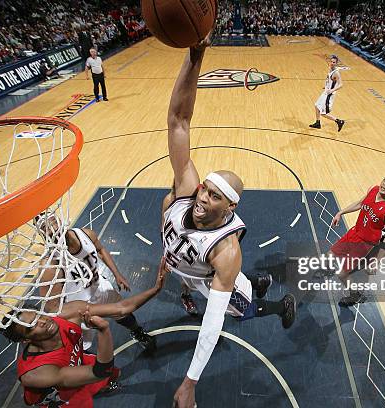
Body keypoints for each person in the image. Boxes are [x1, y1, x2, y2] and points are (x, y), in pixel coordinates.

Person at [163, 35, 296, 408]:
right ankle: (261, 281)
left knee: (243, 310)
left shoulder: (226, 249)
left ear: (229, 208)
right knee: (222, 288)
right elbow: (179, 121)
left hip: (212, 278)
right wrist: (196, 53)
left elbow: (211, 324)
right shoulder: (187, 193)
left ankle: (279, 303)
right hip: (187, 268)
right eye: (204, 189)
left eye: (214, 197)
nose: (202, 198)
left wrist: (190, 382)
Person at [0, 258, 168, 407]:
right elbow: (100, 371)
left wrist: (155, 289)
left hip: (78, 360)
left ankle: (103, 385)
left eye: (38, 316)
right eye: (32, 326)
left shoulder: (67, 314)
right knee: (93, 384)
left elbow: (121, 308)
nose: (43, 322)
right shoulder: (35, 373)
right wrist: (103, 330)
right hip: (61, 393)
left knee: (111, 373)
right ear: (26, 341)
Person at [35, 215, 156, 351]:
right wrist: (73, 316)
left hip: (99, 287)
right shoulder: (50, 266)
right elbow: (51, 308)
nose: (52, 227)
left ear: (61, 221)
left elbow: (101, 250)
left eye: (53, 221)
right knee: (83, 346)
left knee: (124, 313)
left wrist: (117, 274)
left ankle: (137, 332)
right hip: (78, 308)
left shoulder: (85, 234)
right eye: (46, 228)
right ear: (44, 235)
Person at [328, 173, 385, 306]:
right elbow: (361, 203)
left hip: (365, 243)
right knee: (330, 255)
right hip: (354, 232)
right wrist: (341, 212)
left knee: (341, 273)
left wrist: (376, 261)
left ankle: (355, 294)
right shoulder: (373, 189)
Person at [309, 54, 345, 132]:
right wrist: (326, 87)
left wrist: (332, 90)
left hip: (329, 94)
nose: (332, 63)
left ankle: (339, 121)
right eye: (331, 61)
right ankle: (318, 123)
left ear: (336, 63)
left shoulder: (336, 73)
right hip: (326, 91)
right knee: (316, 106)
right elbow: (330, 81)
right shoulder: (330, 68)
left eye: (334, 62)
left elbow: (341, 84)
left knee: (323, 113)